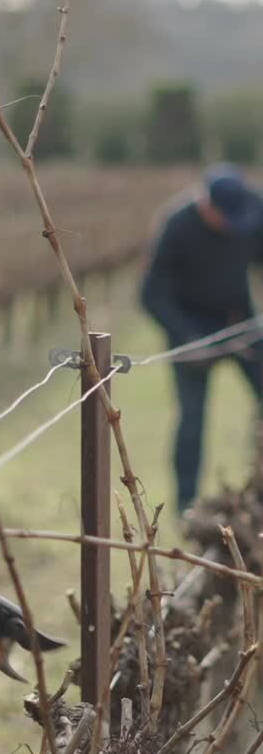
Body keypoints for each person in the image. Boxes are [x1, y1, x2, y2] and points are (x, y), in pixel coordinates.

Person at [140, 163, 263, 513]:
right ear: (206, 205)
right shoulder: (176, 226)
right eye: (224, 218)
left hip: (239, 319)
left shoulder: (253, 209)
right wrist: (188, 337)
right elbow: (150, 295)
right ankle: (187, 507)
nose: (231, 228)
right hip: (190, 328)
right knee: (192, 420)